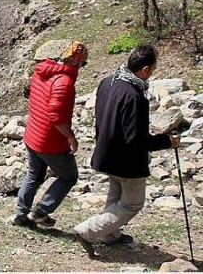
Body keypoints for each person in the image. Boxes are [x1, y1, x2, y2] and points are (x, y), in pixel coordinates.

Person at [73, 44, 180, 256]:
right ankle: (87, 230)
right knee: (132, 204)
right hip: (126, 161)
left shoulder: (107, 82)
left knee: (115, 195)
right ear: (146, 69)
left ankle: (109, 234)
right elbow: (136, 139)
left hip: (106, 152)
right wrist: (167, 142)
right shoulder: (135, 96)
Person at [14, 40, 88, 228]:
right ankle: (41, 211)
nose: (82, 66)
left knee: (33, 175)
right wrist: (70, 136)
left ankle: (21, 215)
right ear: (75, 61)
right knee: (69, 176)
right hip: (50, 141)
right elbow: (56, 116)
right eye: (82, 62)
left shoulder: (43, 70)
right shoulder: (64, 82)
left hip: (32, 134)